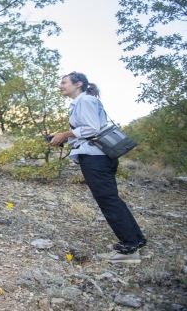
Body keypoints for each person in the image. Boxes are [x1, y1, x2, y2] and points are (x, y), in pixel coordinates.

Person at [49, 72, 147, 264]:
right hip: (100, 157)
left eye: (64, 82)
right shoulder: (83, 101)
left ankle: (128, 248)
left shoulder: (84, 101)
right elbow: (88, 129)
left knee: (108, 200)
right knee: (112, 199)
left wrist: (65, 134)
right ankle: (137, 242)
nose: (60, 86)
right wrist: (65, 137)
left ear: (78, 84)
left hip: (95, 158)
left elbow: (92, 129)